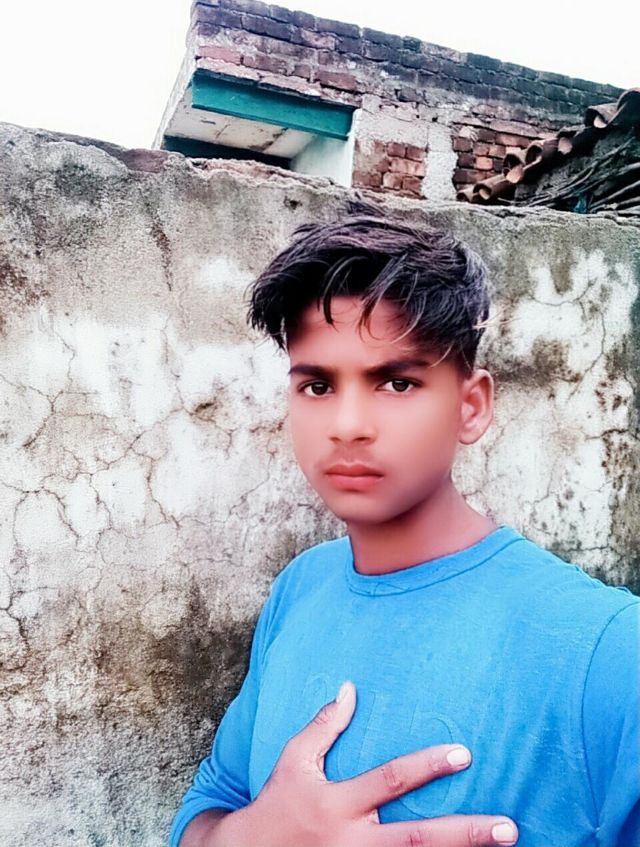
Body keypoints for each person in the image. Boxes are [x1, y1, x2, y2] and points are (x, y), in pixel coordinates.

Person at [169, 205, 640, 847]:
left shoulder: (610, 652)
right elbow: (213, 799)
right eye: (317, 386)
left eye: (395, 383)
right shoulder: (301, 588)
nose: (348, 425)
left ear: (471, 406)